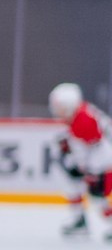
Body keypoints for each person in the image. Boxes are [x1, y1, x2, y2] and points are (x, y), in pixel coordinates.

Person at [48, 82, 112, 239]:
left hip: (101, 165)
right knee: (69, 181)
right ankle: (79, 220)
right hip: (94, 163)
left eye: (60, 107)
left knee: (98, 197)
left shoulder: (84, 120)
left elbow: (98, 147)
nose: (58, 111)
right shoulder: (79, 114)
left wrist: (91, 171)